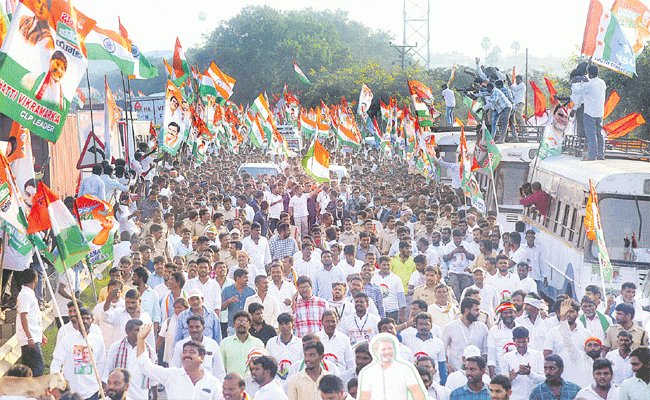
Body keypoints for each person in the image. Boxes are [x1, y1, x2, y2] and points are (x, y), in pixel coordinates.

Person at [135, 323, 223, 399]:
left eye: (192, 352)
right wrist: (140, 340)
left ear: (202, 357)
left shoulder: (213, 383)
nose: (187, 355)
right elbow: (145, 366)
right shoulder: (172, 375)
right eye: (184, 352)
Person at [51, 307, 107, 400]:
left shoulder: (98, 341)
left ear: (92, 320)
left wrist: (100, 384)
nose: (84, 321)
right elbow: (56, 361)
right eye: (81, 318)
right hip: (70, 391)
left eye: (87, 318)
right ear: (76, 320)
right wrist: (56, 382)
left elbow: (102, 364)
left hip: (92, 391)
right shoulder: (67, 339)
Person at [357, 333, 427, 400]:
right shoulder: (368, 373)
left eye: (389, 349)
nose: (386, 352)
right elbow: (364, 396)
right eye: (383, 349)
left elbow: (417, 393)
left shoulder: (405, 369)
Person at [104, 319, 153, 400]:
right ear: (127, 331)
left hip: (141, 395)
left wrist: (155, 396)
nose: (140, 333)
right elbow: (107, 372)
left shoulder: (149, 350)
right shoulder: (115, 347)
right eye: (137, 330)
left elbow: (152, 375)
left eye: (141, 330)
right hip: (119, 395)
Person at [171, 314, 226, 379]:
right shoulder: (180, 345)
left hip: (208, 384)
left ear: (203, 328)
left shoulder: (212, 344)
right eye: (191, 327)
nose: (194, 330)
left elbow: (219, 371)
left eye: (197, 327)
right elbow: (174, 369)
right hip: (186, 384)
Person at [443, 297, 489, 372]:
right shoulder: (450, 327)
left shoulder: (483, 328)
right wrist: (447, 365)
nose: (479, 313)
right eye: (476, 310)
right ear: (466, 310)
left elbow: (485, 352)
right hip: (456, 371)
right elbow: (443, 350)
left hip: (476, 374)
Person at [571, 64, 606, 160]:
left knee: (591, 135)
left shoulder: (589, 84)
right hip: (600, 112)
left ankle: (592, 155)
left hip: (590, 113)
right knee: (599, 134)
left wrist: (575, 82)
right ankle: (601, 155)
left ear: (589, 73)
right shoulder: (602, 83)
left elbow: (576, 91)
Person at [500, 327, 544, 400]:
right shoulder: (506, 357)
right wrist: (510, 378)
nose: (521, 345)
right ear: (514, 340)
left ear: (528, 339)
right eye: (518, 342)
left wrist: (529, 373)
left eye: (524, 342)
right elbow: (502, 384)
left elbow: (543, 379)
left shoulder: (538, 355)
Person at [16, 268, 44, 377]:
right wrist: (30, 337)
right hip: (29, 338)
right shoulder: (25, 295)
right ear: (35, 279)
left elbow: (33, 317)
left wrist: (40, 334)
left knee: (32, 369)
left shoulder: (28, 294)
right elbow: (24, 316)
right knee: (37, 368)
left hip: (33, 335)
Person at [220, 311, 264, 376]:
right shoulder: (225, 343)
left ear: (249, 324)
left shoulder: (258, 343)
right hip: (232, 383)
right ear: (234, 324)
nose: (241, 324)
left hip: (252, 382)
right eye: (238, 322)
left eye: (243, 322)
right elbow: (221, 366)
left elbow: (262, 366)